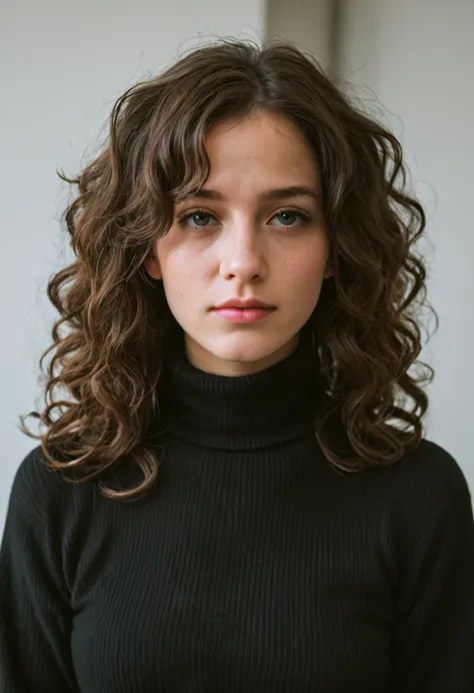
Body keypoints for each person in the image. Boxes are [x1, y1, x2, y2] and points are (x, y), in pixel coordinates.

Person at [0, 38, 473, 693]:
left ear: (337, 246)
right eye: (199, 215)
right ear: (147, 248)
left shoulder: (420, 496)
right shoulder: (60, 492)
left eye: (288, 215)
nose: (243, 259)